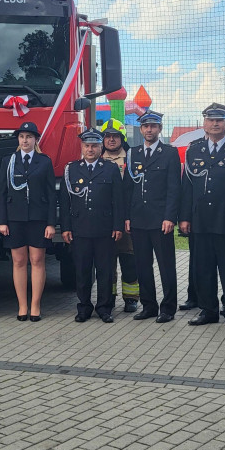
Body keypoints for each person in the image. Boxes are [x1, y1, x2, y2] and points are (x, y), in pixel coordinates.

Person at [179, 102, 225, 331]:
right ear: (204, 123)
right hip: (200, 221)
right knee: (204, 268)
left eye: (219, 120)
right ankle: (208, 309)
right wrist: (185, 217)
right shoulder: (194, 150)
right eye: (211, 120)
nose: (215, 124)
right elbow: (187, 187)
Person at [61, 129, 124, 322]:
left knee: (105, 270)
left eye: (94, 146)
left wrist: (118, 226)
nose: (90, 149)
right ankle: (84, 307)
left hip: (105, 228)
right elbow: (65, 202)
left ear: (100, 147)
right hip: (80, 229)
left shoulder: (110, 168)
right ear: (82, 147)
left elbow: (118, 201)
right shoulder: (71, 169)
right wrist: (65, 227)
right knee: (82, 270)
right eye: (87, 146)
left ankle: (104, 308)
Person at [0, 121, 57, 321]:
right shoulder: (9, 161)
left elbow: (51, 195)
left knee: (37, 261)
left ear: (35, 140)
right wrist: (2, 221)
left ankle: (35, 305)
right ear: (18, 139)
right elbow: (2, 193)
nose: (25, 140)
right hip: (15, 219)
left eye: (29, 137)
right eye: (22, 137)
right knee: (19, 261)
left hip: (38, 219)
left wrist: (51, 223)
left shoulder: (44, 161)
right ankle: (22, 305)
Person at [125, 111, 181, 323]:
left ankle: (168, 308)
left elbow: (174, 188)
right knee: (142, 265)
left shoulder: (169, 153)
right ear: (141, 129)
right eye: (146, 126)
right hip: (138, 219)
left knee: (166, 266)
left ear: (160, 129)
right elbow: (128, 188)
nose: (149, 130)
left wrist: (170, 217)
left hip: (161, 221)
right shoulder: (133, 153)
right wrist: (128, 216)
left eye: (153, 126)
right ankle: (148, 305)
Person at [100, 120, 141, 313]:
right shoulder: (96, 159)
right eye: (107, 136)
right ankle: (109, 296)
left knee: (129, 260)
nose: (111, 140)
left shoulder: (132, 158)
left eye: (115, 136)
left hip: (127, 219)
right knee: (107, 261)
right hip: (104, 220)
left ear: (122, 138)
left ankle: (131, 298)